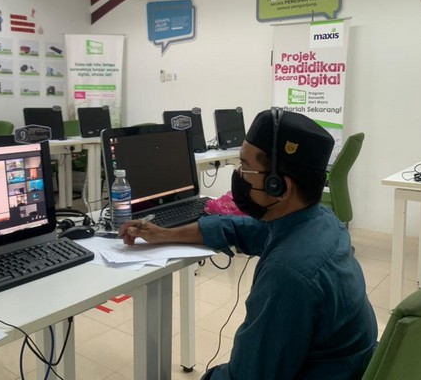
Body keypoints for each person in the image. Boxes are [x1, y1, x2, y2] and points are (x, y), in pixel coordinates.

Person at [119, 108, 377, 379]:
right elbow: (242, 228)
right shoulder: (321, 220)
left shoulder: (288, 275)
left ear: (279, 186)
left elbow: (247, 376)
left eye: (245, 166)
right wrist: (164, 234)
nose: (239, 175)